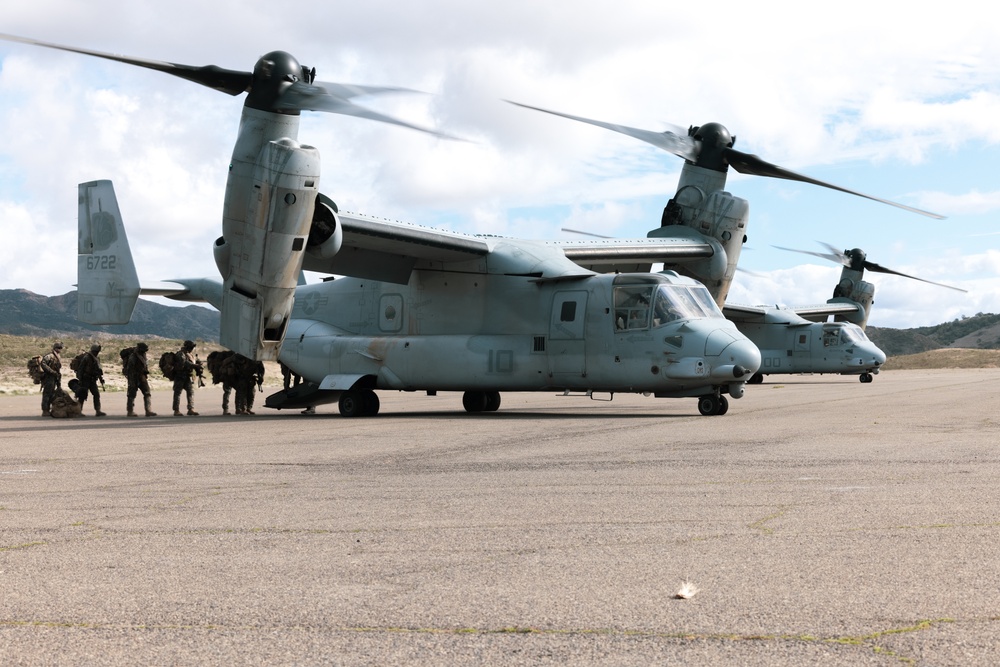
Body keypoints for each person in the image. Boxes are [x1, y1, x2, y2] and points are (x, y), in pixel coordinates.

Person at [124, 342, 157, 417]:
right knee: (131, 394)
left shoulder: (142, 355)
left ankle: (148, 411)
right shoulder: (133, 356)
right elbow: (130, 368)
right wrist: (131, 379)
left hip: (142, 377)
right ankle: (130, 411)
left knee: (147, 393)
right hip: (134, 377)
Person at [172, 340, 202, 416]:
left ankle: (191, 409)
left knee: (190, 392)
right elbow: (185, 363)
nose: (192, 349)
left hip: (187, 377)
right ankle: (176, 410)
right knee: (177, 393)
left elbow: (194, 361)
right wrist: (195, 366)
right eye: (191, 347)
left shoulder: (190, 354)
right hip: (180, 376)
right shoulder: (180, 354)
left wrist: (199, 363)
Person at [75, 343, 107, 416]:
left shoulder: (96, 359)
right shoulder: (86, 358)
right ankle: (79, 411)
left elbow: (98, 370)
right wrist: (80, 379)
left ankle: (98, 410)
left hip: (92, 380)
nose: (97, 352)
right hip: (85, 379)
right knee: (82, 395)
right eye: (96, 351)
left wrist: (101, 379)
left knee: (96, 394)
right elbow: (81, 369)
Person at [207, 350, 236, 415]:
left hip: (227, 377)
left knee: (227, 393)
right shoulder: (231, 357)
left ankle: (227, 409)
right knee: (233, 392)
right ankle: (238, 409)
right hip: (228, 377)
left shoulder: (224, 357)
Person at [39, 340, 64, 417]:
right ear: (55, 348)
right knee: (47, 394)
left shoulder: (57, 356)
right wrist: (51, 371)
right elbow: (43, 364)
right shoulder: (49, 356)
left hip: (54, 377)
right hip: (49, 377)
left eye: (60, 348)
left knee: (52, 394)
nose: (59, 349)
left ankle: (50, 409)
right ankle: (45, 410)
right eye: (58, 348)